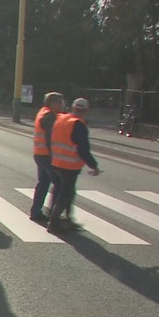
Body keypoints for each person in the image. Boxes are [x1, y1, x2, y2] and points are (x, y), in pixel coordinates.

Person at [47, 98, 101, 234]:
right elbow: (83, 150)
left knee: (64, 191)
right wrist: (94, 166)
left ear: (72, 108)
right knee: (66, 194)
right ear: (86, 111)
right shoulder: (78, 125)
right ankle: (54, 223)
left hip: (56, 162)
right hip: (69, 165)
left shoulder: (61, 119)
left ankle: (64, 218)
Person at [29, 92, 65, 223]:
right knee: (59, 183)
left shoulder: (43, 112)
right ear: (53, 103)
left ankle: (36, 212)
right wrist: (54, 156)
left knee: (43, 183)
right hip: (47, 155)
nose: (62, 105)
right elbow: (50, 138)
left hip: (39, 153)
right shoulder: (50, 116)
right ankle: (53, 215)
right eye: (60, 102)